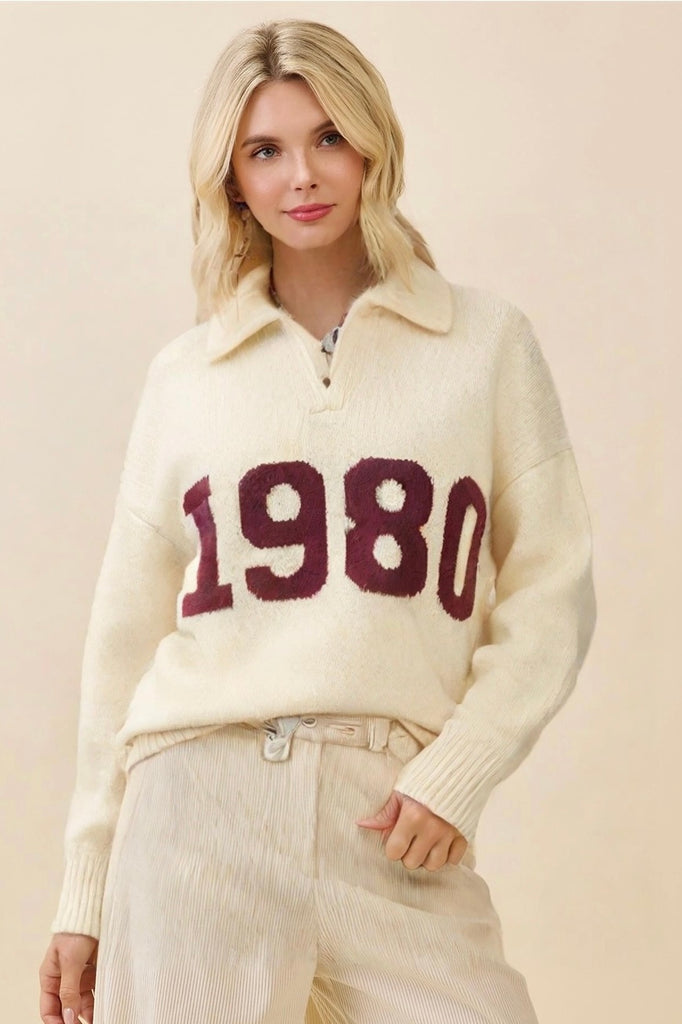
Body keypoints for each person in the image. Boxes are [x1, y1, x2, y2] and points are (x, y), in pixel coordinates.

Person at [39, 18, 597, 1024]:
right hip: (194, 817)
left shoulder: (482, 344)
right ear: (231, 178)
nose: (302, 175)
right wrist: (85, 889)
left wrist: (460, 769)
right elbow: (120, 644)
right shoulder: (187, 378)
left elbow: (553, 584)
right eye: (265, 150)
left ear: (373, 144)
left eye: (329, 137)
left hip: (395, 814)